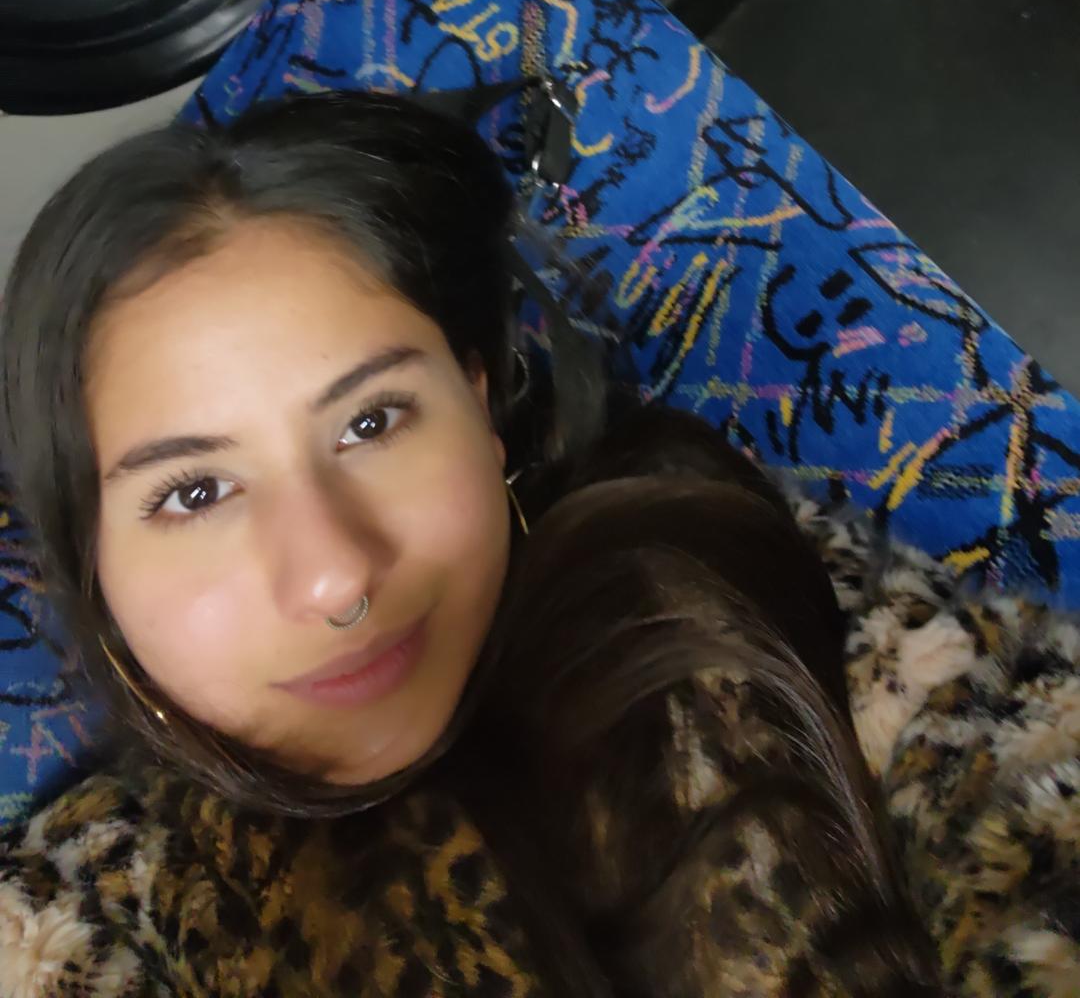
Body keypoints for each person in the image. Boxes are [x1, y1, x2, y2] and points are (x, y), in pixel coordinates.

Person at [0, 90, 1077, 998]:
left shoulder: (721, 589)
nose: (336, 576)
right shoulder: (87, 912)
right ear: (93, 569)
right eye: (195, 492)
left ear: (477, 402)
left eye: (372, 423)